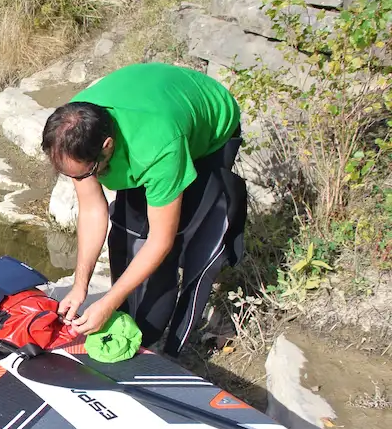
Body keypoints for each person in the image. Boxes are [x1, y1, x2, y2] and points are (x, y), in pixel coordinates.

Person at [40, 62, 247, 357]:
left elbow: (161, 241)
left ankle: (165, 336)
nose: (82, 180)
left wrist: (108, 302)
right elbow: (92, 211)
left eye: (86, 173)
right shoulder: (73, 130)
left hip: (210, 131)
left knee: (182, 238)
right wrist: (80, 285)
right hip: (154, 103)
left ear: (107, 147)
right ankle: (134, 312)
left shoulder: (160, 149)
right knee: (131, 232)